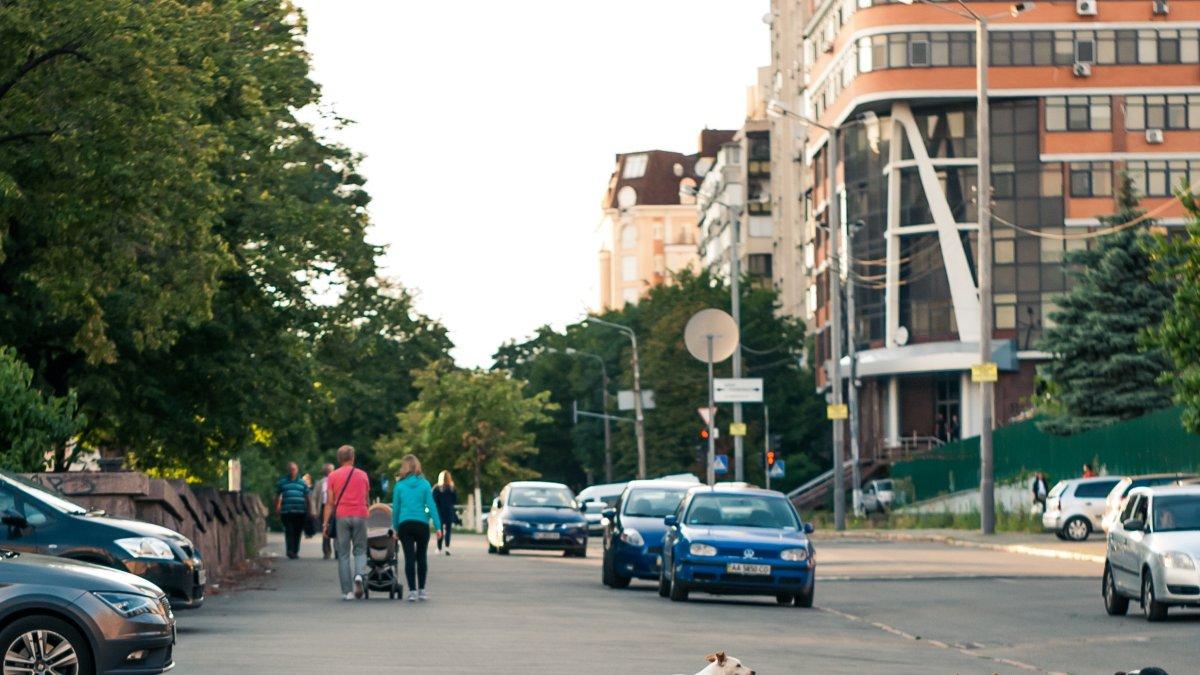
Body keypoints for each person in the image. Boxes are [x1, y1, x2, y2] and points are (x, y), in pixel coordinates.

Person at [391, 454, 441, 602]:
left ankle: (412, 591)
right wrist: (438, 527)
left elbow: (396, 509)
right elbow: (431, 506)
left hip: (405, 525)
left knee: (409, 558)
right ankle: (422, 590)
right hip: (421, 525)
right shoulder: (425, 484)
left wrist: (395, 528)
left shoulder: (399, 486)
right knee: (421, 557)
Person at [323, 445, 370, 600]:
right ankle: (359, 575)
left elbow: (330, 502)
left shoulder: (333, 476)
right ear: (353, 458)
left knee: (343, 554)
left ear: (339, 459)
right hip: (360, 514)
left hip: (342, 515)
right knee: (360, 550)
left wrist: (325, 524)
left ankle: (347, 592)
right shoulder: (363, 475)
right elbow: (366, 499)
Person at [275, 462, 310, 560]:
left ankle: (295, 551)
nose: (292, 471)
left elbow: (307, 496)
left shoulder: (302, 483)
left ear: (297, 470)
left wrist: (309, 509)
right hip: (287, 511)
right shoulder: (282, 482)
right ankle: (290, 550)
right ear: (288, 470)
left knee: (297, 532)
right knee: (289, 531)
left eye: (294, 469)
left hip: (300, 511)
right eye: (290, 469)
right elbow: (278, 496)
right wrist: (277, 507)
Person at [308, 463, 335, 560]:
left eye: (331, 470)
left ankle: (338, 552)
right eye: (329, 470)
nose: (330, 472)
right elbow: (314, 497)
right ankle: (326, 552)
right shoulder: (320, 483)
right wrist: (314, 511)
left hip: (335, 508)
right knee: (326, 530)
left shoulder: (338, 481)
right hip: (324, 508)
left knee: (337, 530)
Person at [432, 471, 459, 556]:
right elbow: (455, 500)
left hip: (439, 512)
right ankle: (447, 548)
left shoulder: (436, 488)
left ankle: (439, 548)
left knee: (439, 530)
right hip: (449, 512)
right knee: (448, 531)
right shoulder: (452, 488)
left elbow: (433, 500)